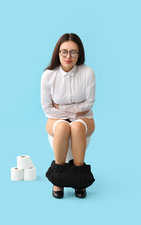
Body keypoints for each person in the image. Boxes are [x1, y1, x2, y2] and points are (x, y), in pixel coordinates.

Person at [41, 33, 96, 199]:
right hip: (56, 119)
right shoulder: (48, 75)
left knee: (77, 127)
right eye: (64, 52)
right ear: (58, 53)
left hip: (84, 118)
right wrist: (73, 110)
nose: (68, 56)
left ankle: (80, 180)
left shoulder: (87, 73)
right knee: (64, 126)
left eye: (74, 52)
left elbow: (89, 104)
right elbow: (47, 109)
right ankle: (58, 180)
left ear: (79, 54)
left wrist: (63, 107)